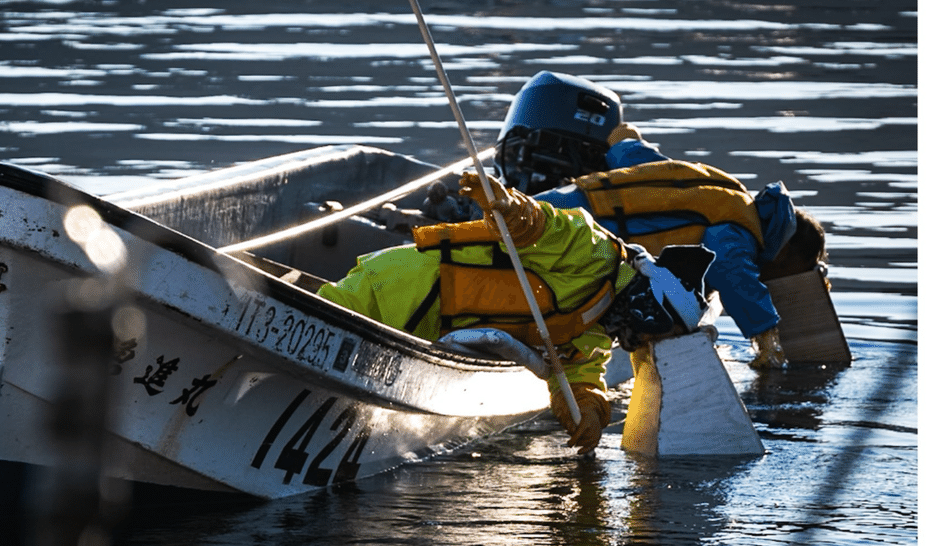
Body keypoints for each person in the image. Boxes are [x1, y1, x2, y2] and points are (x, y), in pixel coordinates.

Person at [318, 169, 707, 455]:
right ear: (649, 303)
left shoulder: (596, 327)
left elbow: (577, 371)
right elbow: (539, 225)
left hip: (425, 339)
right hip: (392, 288)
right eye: (656, 329)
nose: (642, 341)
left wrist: (588, 408)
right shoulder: (592, 247)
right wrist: (506, 204)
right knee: (320, 327)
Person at [490, 71, 828, 369]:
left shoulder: (721, 186)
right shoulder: (741, 230)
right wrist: (765, 337)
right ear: (783, 252)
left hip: (566, 203)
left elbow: (636, 157)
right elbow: (730, 270)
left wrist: (621, 135)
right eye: (787, 274)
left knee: (501, 222)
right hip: (583, 231)